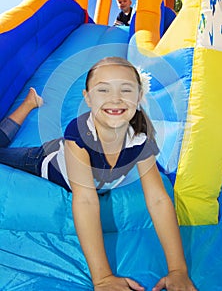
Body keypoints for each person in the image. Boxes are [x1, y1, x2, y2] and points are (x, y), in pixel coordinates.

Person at [0, 57, 197, 291]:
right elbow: (84, 199)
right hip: (46, 159)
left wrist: (178, 270)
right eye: (103, 90)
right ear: (88, 98)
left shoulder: (141, 136)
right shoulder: (81, 132)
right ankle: (29, 103)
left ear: (139, 96)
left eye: (126, 89)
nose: (115, 98)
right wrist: (102, 278)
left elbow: (157, 199)